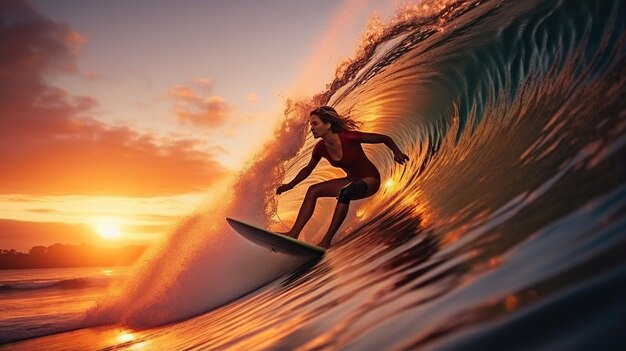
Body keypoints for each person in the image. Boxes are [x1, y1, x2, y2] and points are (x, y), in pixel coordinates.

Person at [276, 106, 409, 248]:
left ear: (328, 124)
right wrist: (290, 185)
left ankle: (326, 240)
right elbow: (308, 168)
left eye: (315, 124)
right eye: (311, 125)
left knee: (345, 193)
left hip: (370, 180)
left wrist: (397, 152)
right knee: (313, 190)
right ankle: (293, 233)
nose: (312, 128)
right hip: (351, 180)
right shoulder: (320, 148)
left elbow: (384, 138)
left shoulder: (349, 137)